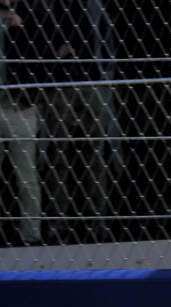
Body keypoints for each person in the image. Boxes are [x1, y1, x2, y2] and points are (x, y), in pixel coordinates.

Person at [0, 0, 55, 247]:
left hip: (21, 108)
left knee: (26, 174)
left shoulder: (33, 18)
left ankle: (32, 232)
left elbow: (44, 58)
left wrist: (21, 29)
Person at [41, 0, 123, 243]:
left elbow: (109, 33)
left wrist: (108, 67)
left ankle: (98, 218)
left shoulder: (95, 5)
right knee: (58, 154)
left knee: (95, 152)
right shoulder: (48, 7)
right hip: (60, 86)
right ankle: (59, 219)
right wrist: (55, 55)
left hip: (92, 83)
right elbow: (36, 39)